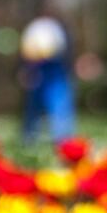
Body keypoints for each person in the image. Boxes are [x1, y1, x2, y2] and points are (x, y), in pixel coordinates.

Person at [20, 16, 75, 144]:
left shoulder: (58, 29)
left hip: (56, 72)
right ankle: (29, 140)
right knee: (33, 109)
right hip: (37, 71)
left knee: (60, 108)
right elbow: (25, 54)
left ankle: (64, 142)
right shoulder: (36, 28)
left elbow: (68, 51)